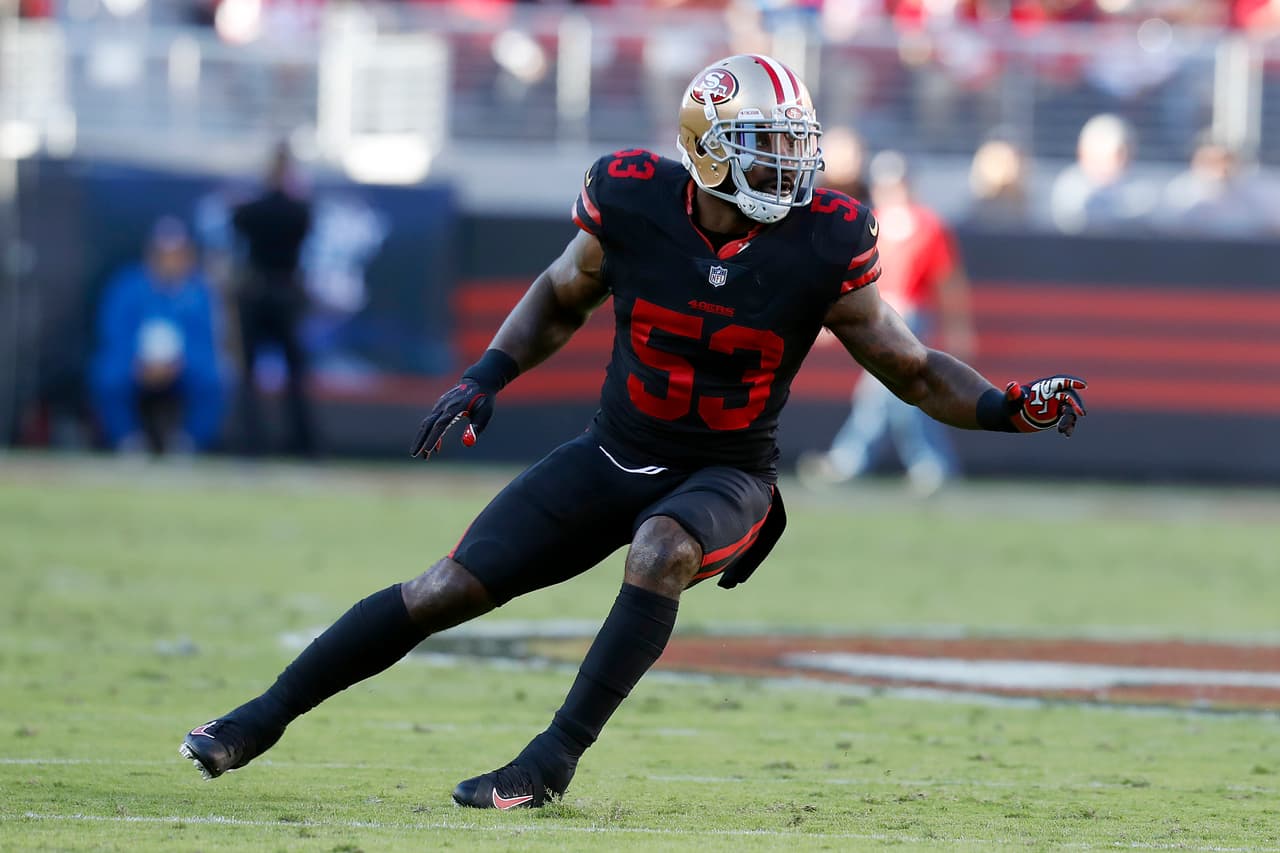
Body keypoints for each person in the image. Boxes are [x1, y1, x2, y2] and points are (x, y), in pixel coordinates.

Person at [180, 54, 1087, 808]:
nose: (789, 166)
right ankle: (255, 719)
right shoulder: (631, 198)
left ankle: (549, 763)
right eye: (763, 147)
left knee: (659, 549)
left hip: (729, 475)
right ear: (704, 151)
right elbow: (561, 292)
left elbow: (912, 366)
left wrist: (1009, 407)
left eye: (792, 145)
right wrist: (488, 371)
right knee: (442, 587)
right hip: (611, 451)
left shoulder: (825, 237)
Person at [801, 150, 976, 495]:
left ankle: (853, 460)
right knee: (893, 395)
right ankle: (930, 465)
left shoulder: (928, 226)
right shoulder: (871, 222)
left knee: (883, 392)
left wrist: (959, 326)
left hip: (909, 317)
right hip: (876, 314)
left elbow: (948, 282)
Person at [89, 217, 224, 455]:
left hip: (184, 363)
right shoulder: (127, 285)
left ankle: (188, 443)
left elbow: (206, 338)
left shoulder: (199, 291)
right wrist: (139, 361)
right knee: (107, 374)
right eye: (164, 254)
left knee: (215, 377)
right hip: (134, 360)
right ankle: (127, 440)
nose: (170, 261)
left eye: (177, 254)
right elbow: (113, 331)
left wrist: (176, 363)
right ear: (152, 254)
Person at [232, 140, 317, 457]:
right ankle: (300, 443)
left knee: (254, 373)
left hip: (258, 293)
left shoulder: (250, 210)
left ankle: (253, 442)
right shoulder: (299, 211)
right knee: (292, 374)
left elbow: (239, 225)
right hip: (284, 294)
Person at [1049, 113, 1157, 234]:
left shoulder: (1142, 189)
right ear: (1084, 152)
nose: (1119, 161)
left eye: (1122, 153)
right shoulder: (1069, 185)